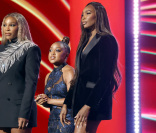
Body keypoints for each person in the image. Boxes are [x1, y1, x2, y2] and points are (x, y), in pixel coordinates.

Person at [60, 2, 122, 133]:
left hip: (93, 99)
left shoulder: (107, 40)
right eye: (82, 14)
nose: (83, 17)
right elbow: (78, 76)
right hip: (80, 97)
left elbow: (105, 77)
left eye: (88, 13)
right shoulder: (84, 41)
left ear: (98, 16)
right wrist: (67, 103)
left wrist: (88, 106)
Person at [0, 12, 41, 133]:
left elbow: (31, 83)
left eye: (12, 25)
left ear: (20, 27)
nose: (7, 29)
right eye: (4, 25)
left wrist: (24, 113)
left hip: (19, 108)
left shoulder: (30, 48)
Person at [35, 37, 75, 133]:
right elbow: (50, 103)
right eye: (50, 50)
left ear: (66, 55)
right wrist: (43, 101)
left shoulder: (69, 71)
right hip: (52, 121)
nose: (52, 53)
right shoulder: (48, 76)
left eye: (57, 50)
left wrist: (49, 100)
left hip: (67, 120)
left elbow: (73, 99)